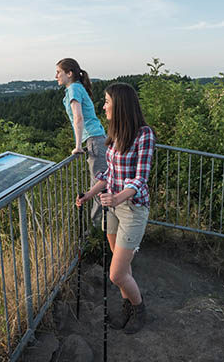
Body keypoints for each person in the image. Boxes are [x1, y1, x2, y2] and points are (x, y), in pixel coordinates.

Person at [76, 82, 155, 334]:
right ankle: (127, 307)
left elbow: (140, 178)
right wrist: (90, 194)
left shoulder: (144, 135)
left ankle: (139, 309)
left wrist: (118, 197)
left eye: (107, 101)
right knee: (122, 268)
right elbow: (109, 174)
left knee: (116, 274)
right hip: (113, 207)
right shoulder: (115, 134)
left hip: (132, 209)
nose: (104, 106)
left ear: (120, 104)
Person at [56, 58, 107, 228]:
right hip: (96, 139)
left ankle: (100, 228)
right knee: (99, 183)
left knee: (100, 184)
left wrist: (78, 146)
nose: (56, 76)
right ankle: (102, 227)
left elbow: (78, 117)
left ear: (69, 74)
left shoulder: (74, 89)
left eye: (59, 72)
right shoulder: (77, 88)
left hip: (94, 140)